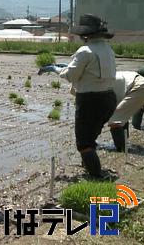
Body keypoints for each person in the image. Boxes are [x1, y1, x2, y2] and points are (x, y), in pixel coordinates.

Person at [38, 14, 116, 177]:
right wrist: (67, 67)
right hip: (108, 98)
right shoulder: (108, 49)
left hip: (90, 100)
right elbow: (89, 71)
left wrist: (56, 69)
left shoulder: (85, 50)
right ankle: (89, 167)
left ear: (85, 35)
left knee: (84, 142)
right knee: (92, 135)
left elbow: (71, 76)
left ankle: (96, 177)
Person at [106, 70, 144, 151]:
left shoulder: (103, 85)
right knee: (121, 117)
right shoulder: (106, 78)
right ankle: (125, 144)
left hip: (140, 87)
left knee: (114, 121)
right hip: (142, 85)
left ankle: (122, 149)